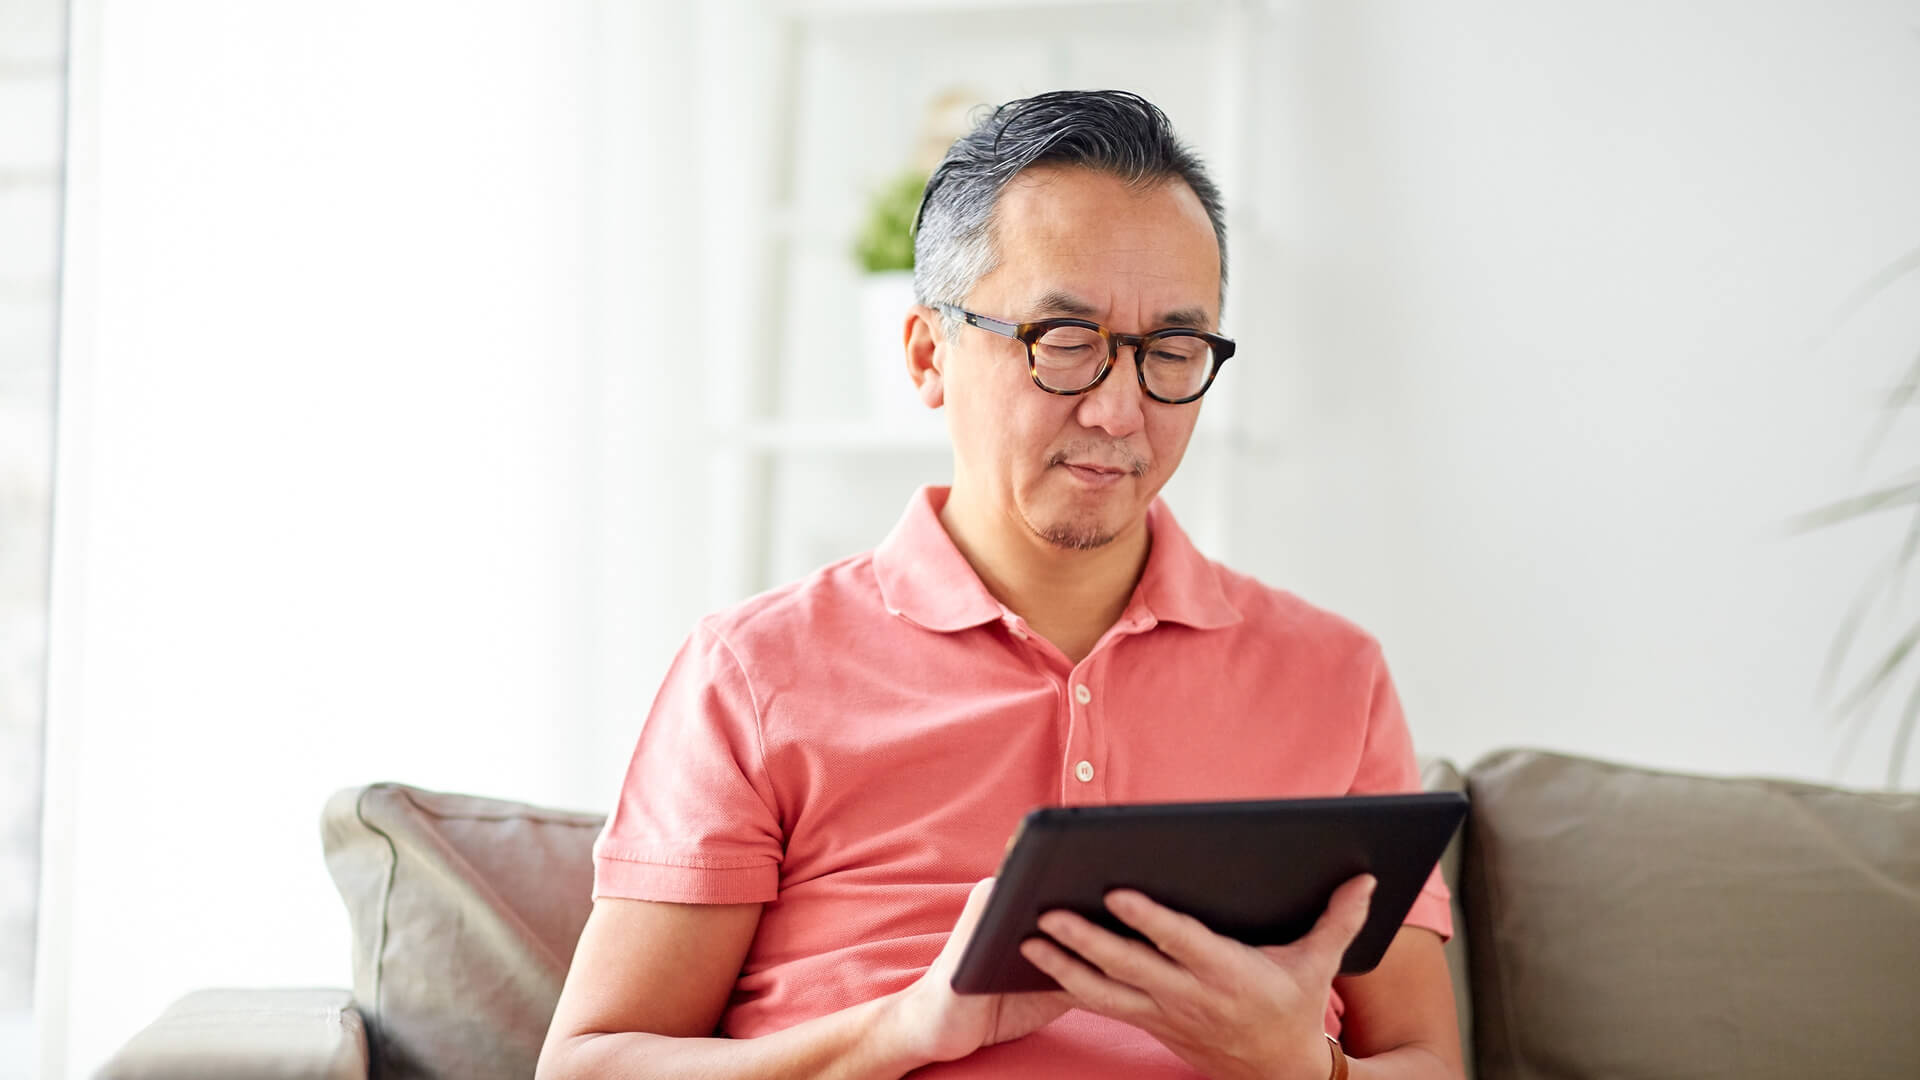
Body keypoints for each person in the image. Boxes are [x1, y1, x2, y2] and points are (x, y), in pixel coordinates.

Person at [537, 90, 1463, 1080]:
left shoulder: (1333, 675)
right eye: (1064, 342)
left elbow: (1427, 1063)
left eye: (1173, 352)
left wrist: (1301, 1066)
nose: (1119, 410)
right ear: (929, 353)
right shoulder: (754, 671)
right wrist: (904, 1028)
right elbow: (590, 1066)